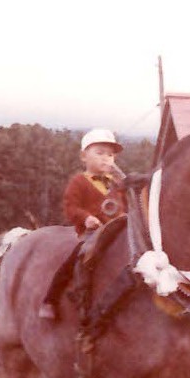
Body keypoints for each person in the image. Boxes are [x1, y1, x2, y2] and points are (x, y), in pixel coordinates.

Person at [38, 128, 125, 319]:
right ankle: (51, 299)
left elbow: (125, 205)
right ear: (84, 156)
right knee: (76, 258)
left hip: (118, 231)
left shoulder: (117, 183)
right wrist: (86, 218)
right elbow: (71, 207)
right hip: (93, 233)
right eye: (100, 153)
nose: (106, 159)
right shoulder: (79, 182)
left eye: (110, 155)